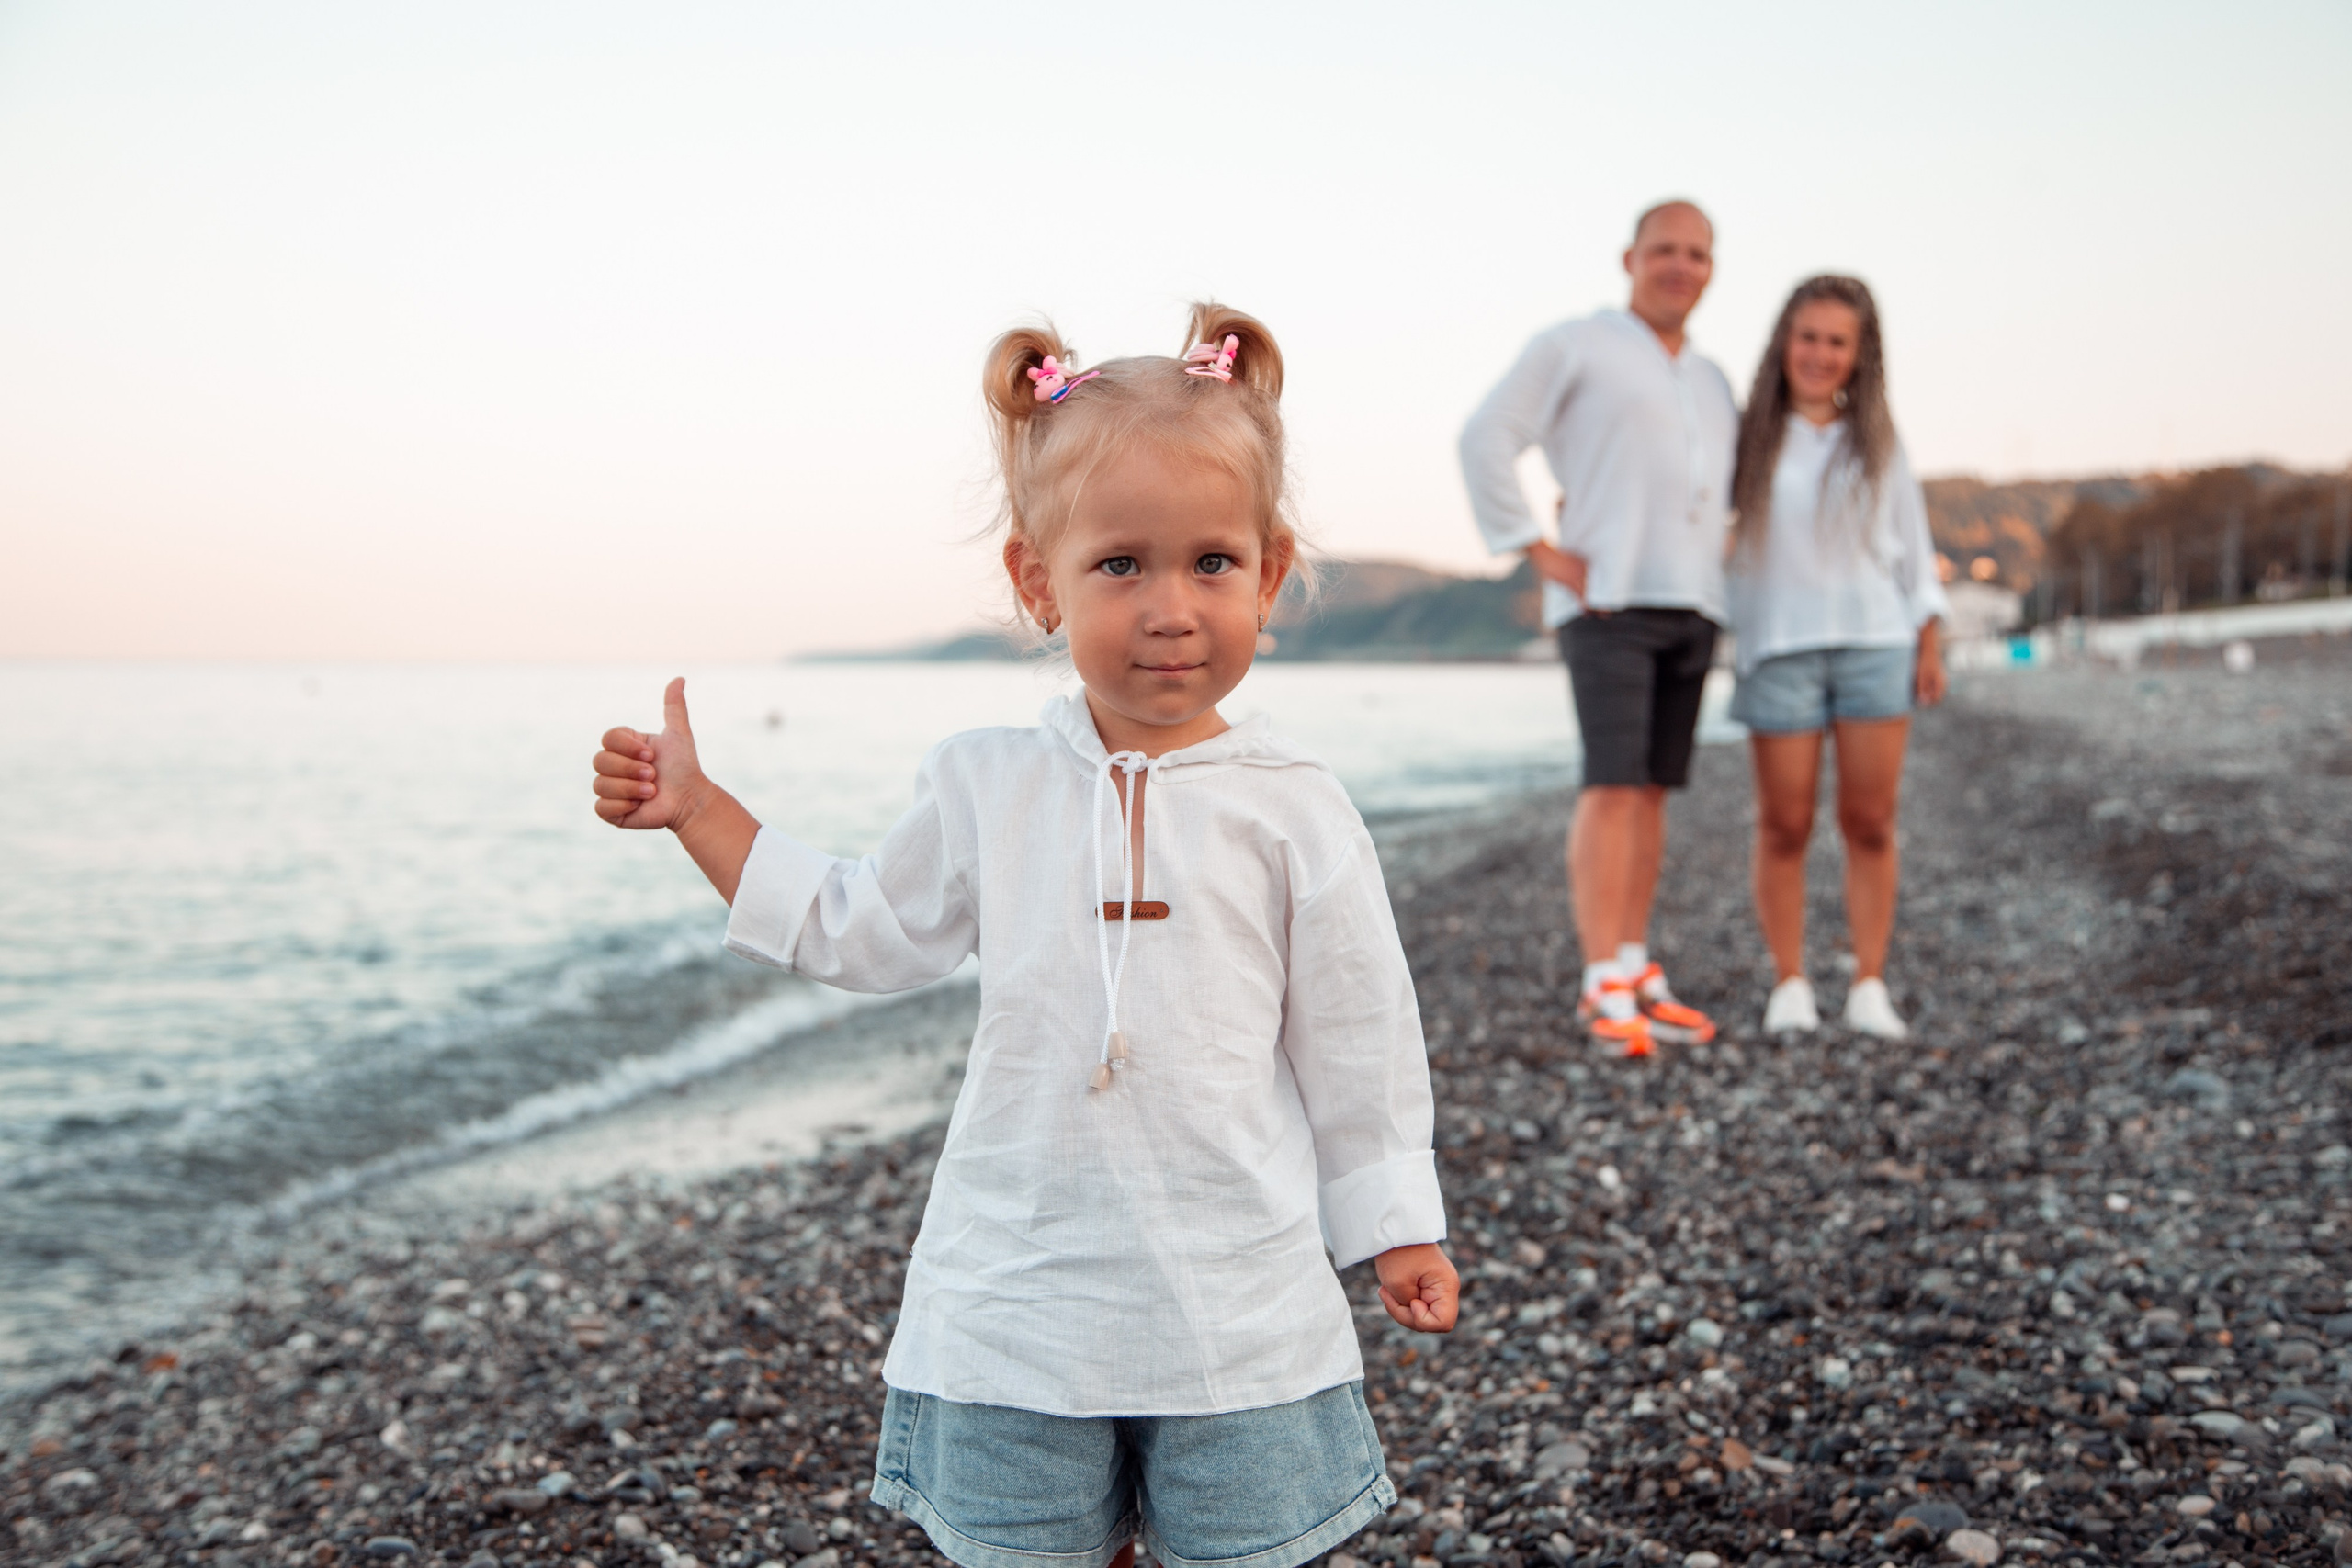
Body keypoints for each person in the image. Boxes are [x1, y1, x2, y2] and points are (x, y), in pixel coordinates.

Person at [589, 305, 1457, 1568]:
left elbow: (1360, 1035)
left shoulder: (1297, 805)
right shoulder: (989, 781)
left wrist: (1395, 1218)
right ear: (1037, 579)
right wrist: (700, 808)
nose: (1170, 606)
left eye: (1210, 562)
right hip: (1018, 1293)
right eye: (1121, 564)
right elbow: (858, 927)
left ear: (1268, 574)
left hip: (1238, 1300)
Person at [1458, 200, 1736, 1056]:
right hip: (1608, 602)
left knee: (1653, 791)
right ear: (1630, 258)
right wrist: (1537, 549)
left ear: (1710, 269)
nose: (1678, 265)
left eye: (1695, 253)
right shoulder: (1576, 343)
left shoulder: (1715, 379)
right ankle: (1597, 981)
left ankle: (1634, 960)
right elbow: (1486, 435)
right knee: (1611, 785)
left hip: (1693, 603)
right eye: (1664, 249)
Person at [1724, 275, 1949, 1040]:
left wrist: (1930, 636)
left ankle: (1869, 983)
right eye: (1808, 336)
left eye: (1837, 341)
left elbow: (1913, 552)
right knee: (1785, 824)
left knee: (1870, 821)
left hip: (1875, 642)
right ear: (1785, 342)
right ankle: (1789, 980)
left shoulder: (1880, 440)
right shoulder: (1745, 435)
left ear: (1860, 355)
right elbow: (1682, 509)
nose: (1819, 354)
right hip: (1777, 648)